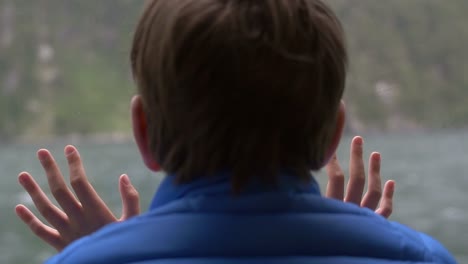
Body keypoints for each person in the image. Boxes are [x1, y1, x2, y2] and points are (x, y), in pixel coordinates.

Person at [16, 0, 456, 263]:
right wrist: (352, 235)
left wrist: (106, 251)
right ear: (331, 137)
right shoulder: (416, 258)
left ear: (143, 132)